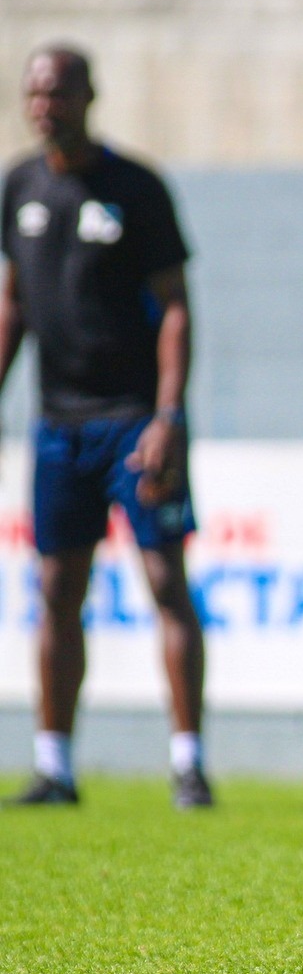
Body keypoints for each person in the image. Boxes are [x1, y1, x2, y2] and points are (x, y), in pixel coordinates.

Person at [0, 45, 210, 809]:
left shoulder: (136, 188)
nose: (42, 104)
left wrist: (168, 415)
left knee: (163, 578)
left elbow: (176, 306)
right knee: (56, 588)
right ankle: (55, 765)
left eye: (57, 92)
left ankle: (189, 763)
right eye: (33, 92)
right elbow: (15, 302)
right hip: (59, 424)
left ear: (90, 95)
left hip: (132, 422)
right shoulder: (19, 186)